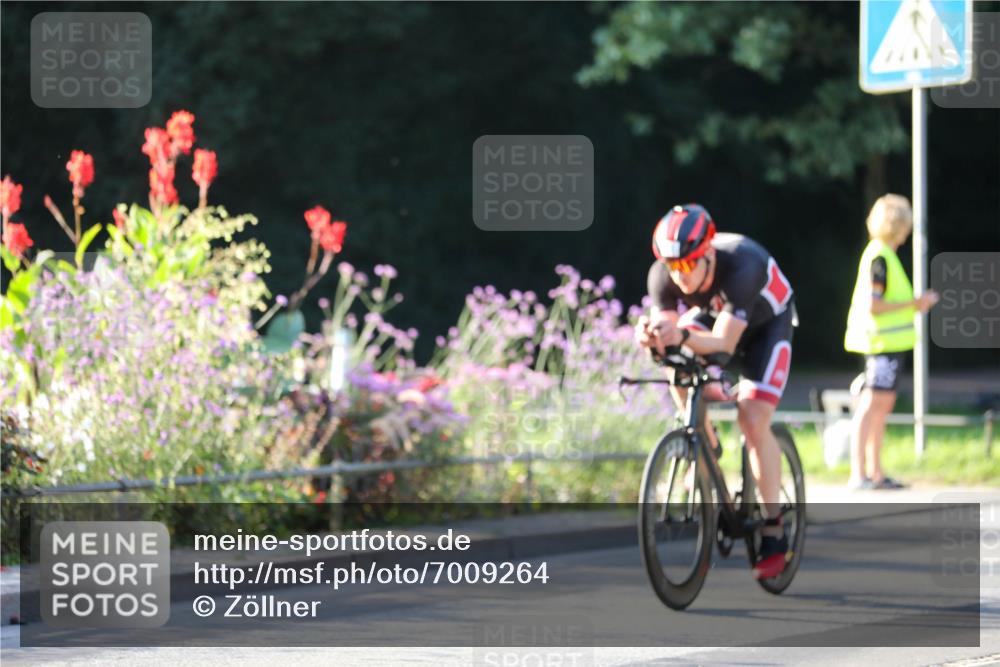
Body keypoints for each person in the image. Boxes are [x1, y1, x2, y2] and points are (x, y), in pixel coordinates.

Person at [634, 203, 796, 580]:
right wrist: (652, 338)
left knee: (753, 418)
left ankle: (773, 527)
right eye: (673, 267)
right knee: (677, 368)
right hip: (715, 316)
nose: (680, 276)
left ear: (707, 253)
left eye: (688, 265)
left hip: (765, 326)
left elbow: (723, 340)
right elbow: (669, 332)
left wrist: (683, 335)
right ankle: (705, 445)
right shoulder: (664, 274)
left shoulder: (744, 265)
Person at [844, 194, 938, 490]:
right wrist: (915, 304)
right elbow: (875, 304)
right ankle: (859, 473)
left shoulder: (883, 254)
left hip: (889, 346)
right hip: (881, 345)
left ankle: (875, 472)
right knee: (871, 405)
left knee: (881, 407)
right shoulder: (880, 258)